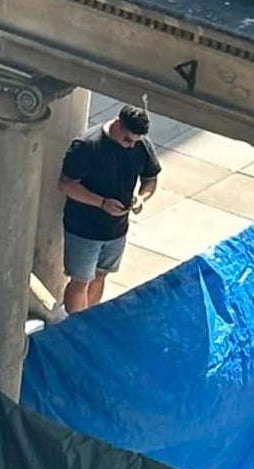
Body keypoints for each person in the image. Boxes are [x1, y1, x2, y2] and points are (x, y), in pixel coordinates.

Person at [57, 105, 161, 315]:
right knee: (80, 280)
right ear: (117, 124)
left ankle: (91, 318)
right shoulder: (88, 146)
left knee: (101, 274)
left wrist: (141, 198)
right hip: (83, 229)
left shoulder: (141, 146)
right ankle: (75, 324)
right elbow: (67, 185)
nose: (130, 145)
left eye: (135, 141)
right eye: (127, 139)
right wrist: (102, 203)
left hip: (116, 230)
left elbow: (150, 178)